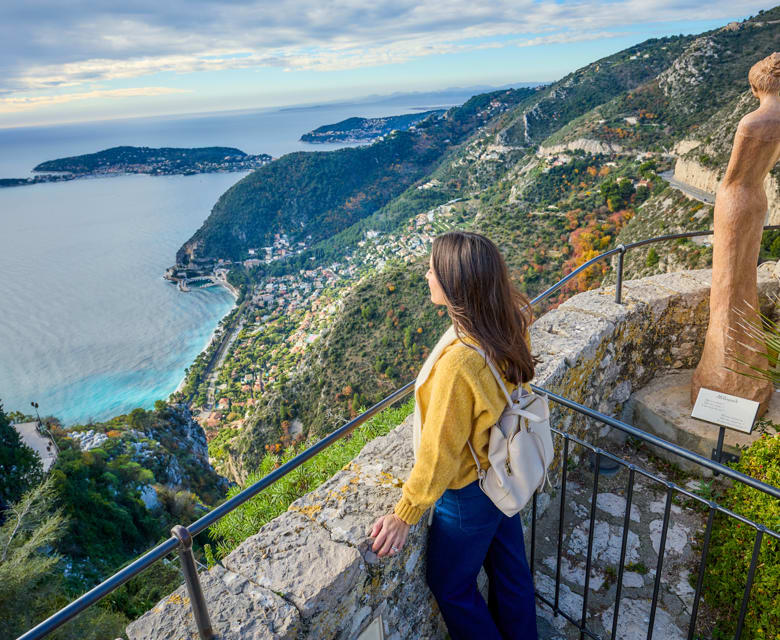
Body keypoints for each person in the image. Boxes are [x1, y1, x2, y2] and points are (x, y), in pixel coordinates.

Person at [368, 231, 539, 640]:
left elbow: (439, 452)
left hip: (468, 493)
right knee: (510, 571)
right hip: (504, 469)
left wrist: (404, 513)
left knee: (451, 586)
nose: (426, 274)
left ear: (455, 283)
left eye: (433, 269)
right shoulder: (510, 321)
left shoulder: (460, 362)